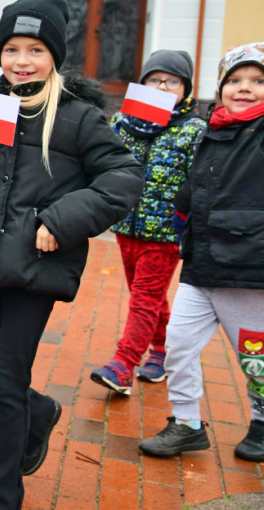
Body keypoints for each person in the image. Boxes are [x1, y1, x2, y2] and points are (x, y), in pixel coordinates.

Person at [0, 0, 143, 509]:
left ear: (54, 56)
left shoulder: (77, 118)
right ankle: (37, 412)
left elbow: (125, 177)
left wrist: (61, 221)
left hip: (37, 266)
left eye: (36, 49)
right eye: (12, 49)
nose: (22, 60)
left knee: (3, 382)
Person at [138, 42, 264, 463]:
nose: (244, 88)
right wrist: (181, 218)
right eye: (235, 80)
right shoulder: (210, 126)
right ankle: (186, 423)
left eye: (258, 81)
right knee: (178, 344)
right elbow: (193, 187)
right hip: (202, 263)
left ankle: (263, 421)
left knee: (254, 358)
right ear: (220, 86)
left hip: (248, 269)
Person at [90, 50, 207, 395]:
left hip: (166, 233)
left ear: (185, 89)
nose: (163, 86)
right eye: (155, 80)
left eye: (172, 81)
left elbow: (198, 182)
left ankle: (123, 365)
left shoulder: (194, 130)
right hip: (126, 227)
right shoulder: (124, 122)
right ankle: (162, 351)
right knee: (151, 299)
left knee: (144, 298)